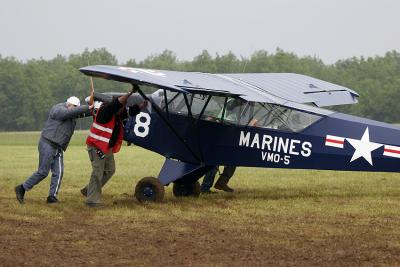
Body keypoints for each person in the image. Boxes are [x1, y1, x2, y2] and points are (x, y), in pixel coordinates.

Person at [15, 96, 91, 204]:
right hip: (47, 143)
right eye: (74, 107)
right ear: (68, 104)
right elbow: (69, 113)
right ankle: (21, 188)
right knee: (43, 172)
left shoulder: (72, 112)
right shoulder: (58, 109)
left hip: (58, 147)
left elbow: (84, 112)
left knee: (59, 172)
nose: (74, 110)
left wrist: (94, 108)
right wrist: (88, 107)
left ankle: (52, 197)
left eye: (75, 108)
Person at [82, 85, 147, 207]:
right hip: (96, 146)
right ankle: (92, 200)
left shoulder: (117, 114)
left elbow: (129, 111)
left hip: (106, 147)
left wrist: (141, 106)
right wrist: (130, 92)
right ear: (117, 106)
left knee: (110, 170)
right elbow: (117, 103)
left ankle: (89, 190)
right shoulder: (106, 111)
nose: (123, 110)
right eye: (121, 107)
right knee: (98, 172)